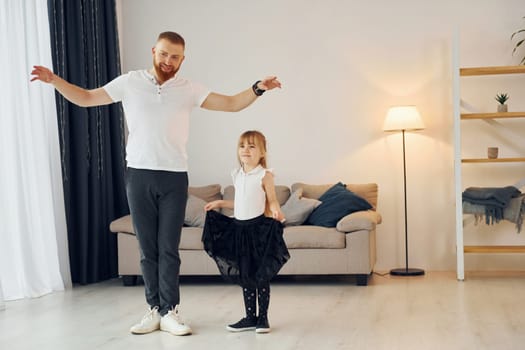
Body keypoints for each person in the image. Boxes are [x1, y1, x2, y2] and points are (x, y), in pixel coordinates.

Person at [30, 31, 281, 336]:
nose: (168, 61)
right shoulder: (130, 82)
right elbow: (86, 98)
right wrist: (55, 80)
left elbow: (230, 103)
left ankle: (171, 311)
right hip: (138, 175)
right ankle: (154, 309)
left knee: (168, 248)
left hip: (174, 177)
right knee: (148, 249)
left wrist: (258, 88)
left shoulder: (189, 89)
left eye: (175, 57)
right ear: (153, 51)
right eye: (163, 54)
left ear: (182, 60)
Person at [202, 130, 290, 334]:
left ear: (262, 152)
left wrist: (276, 210)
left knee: (260, 276)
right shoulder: (237, 174)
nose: (246, 150)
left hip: (257, 231)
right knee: (245, 275)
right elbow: (241, 203)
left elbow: (271, 199)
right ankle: (250, 317)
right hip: (239, 231)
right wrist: (221, 202)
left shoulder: (265, 175)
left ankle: (263, 318)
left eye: (252, 146)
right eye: (242, 146)